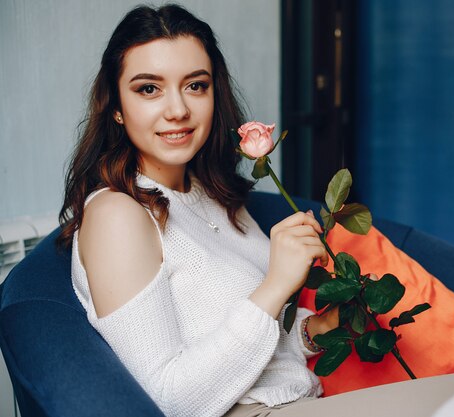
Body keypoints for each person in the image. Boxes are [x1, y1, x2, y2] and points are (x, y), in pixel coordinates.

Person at [58, 4, 337, 417]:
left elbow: (257, 345)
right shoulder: (118, 214)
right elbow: (169, 399)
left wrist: (316, 331)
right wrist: (277, 284)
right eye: (149, 89)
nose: (178, 110)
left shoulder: (210, 191)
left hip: (303, 399)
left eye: (195, 85)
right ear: (116, 106)